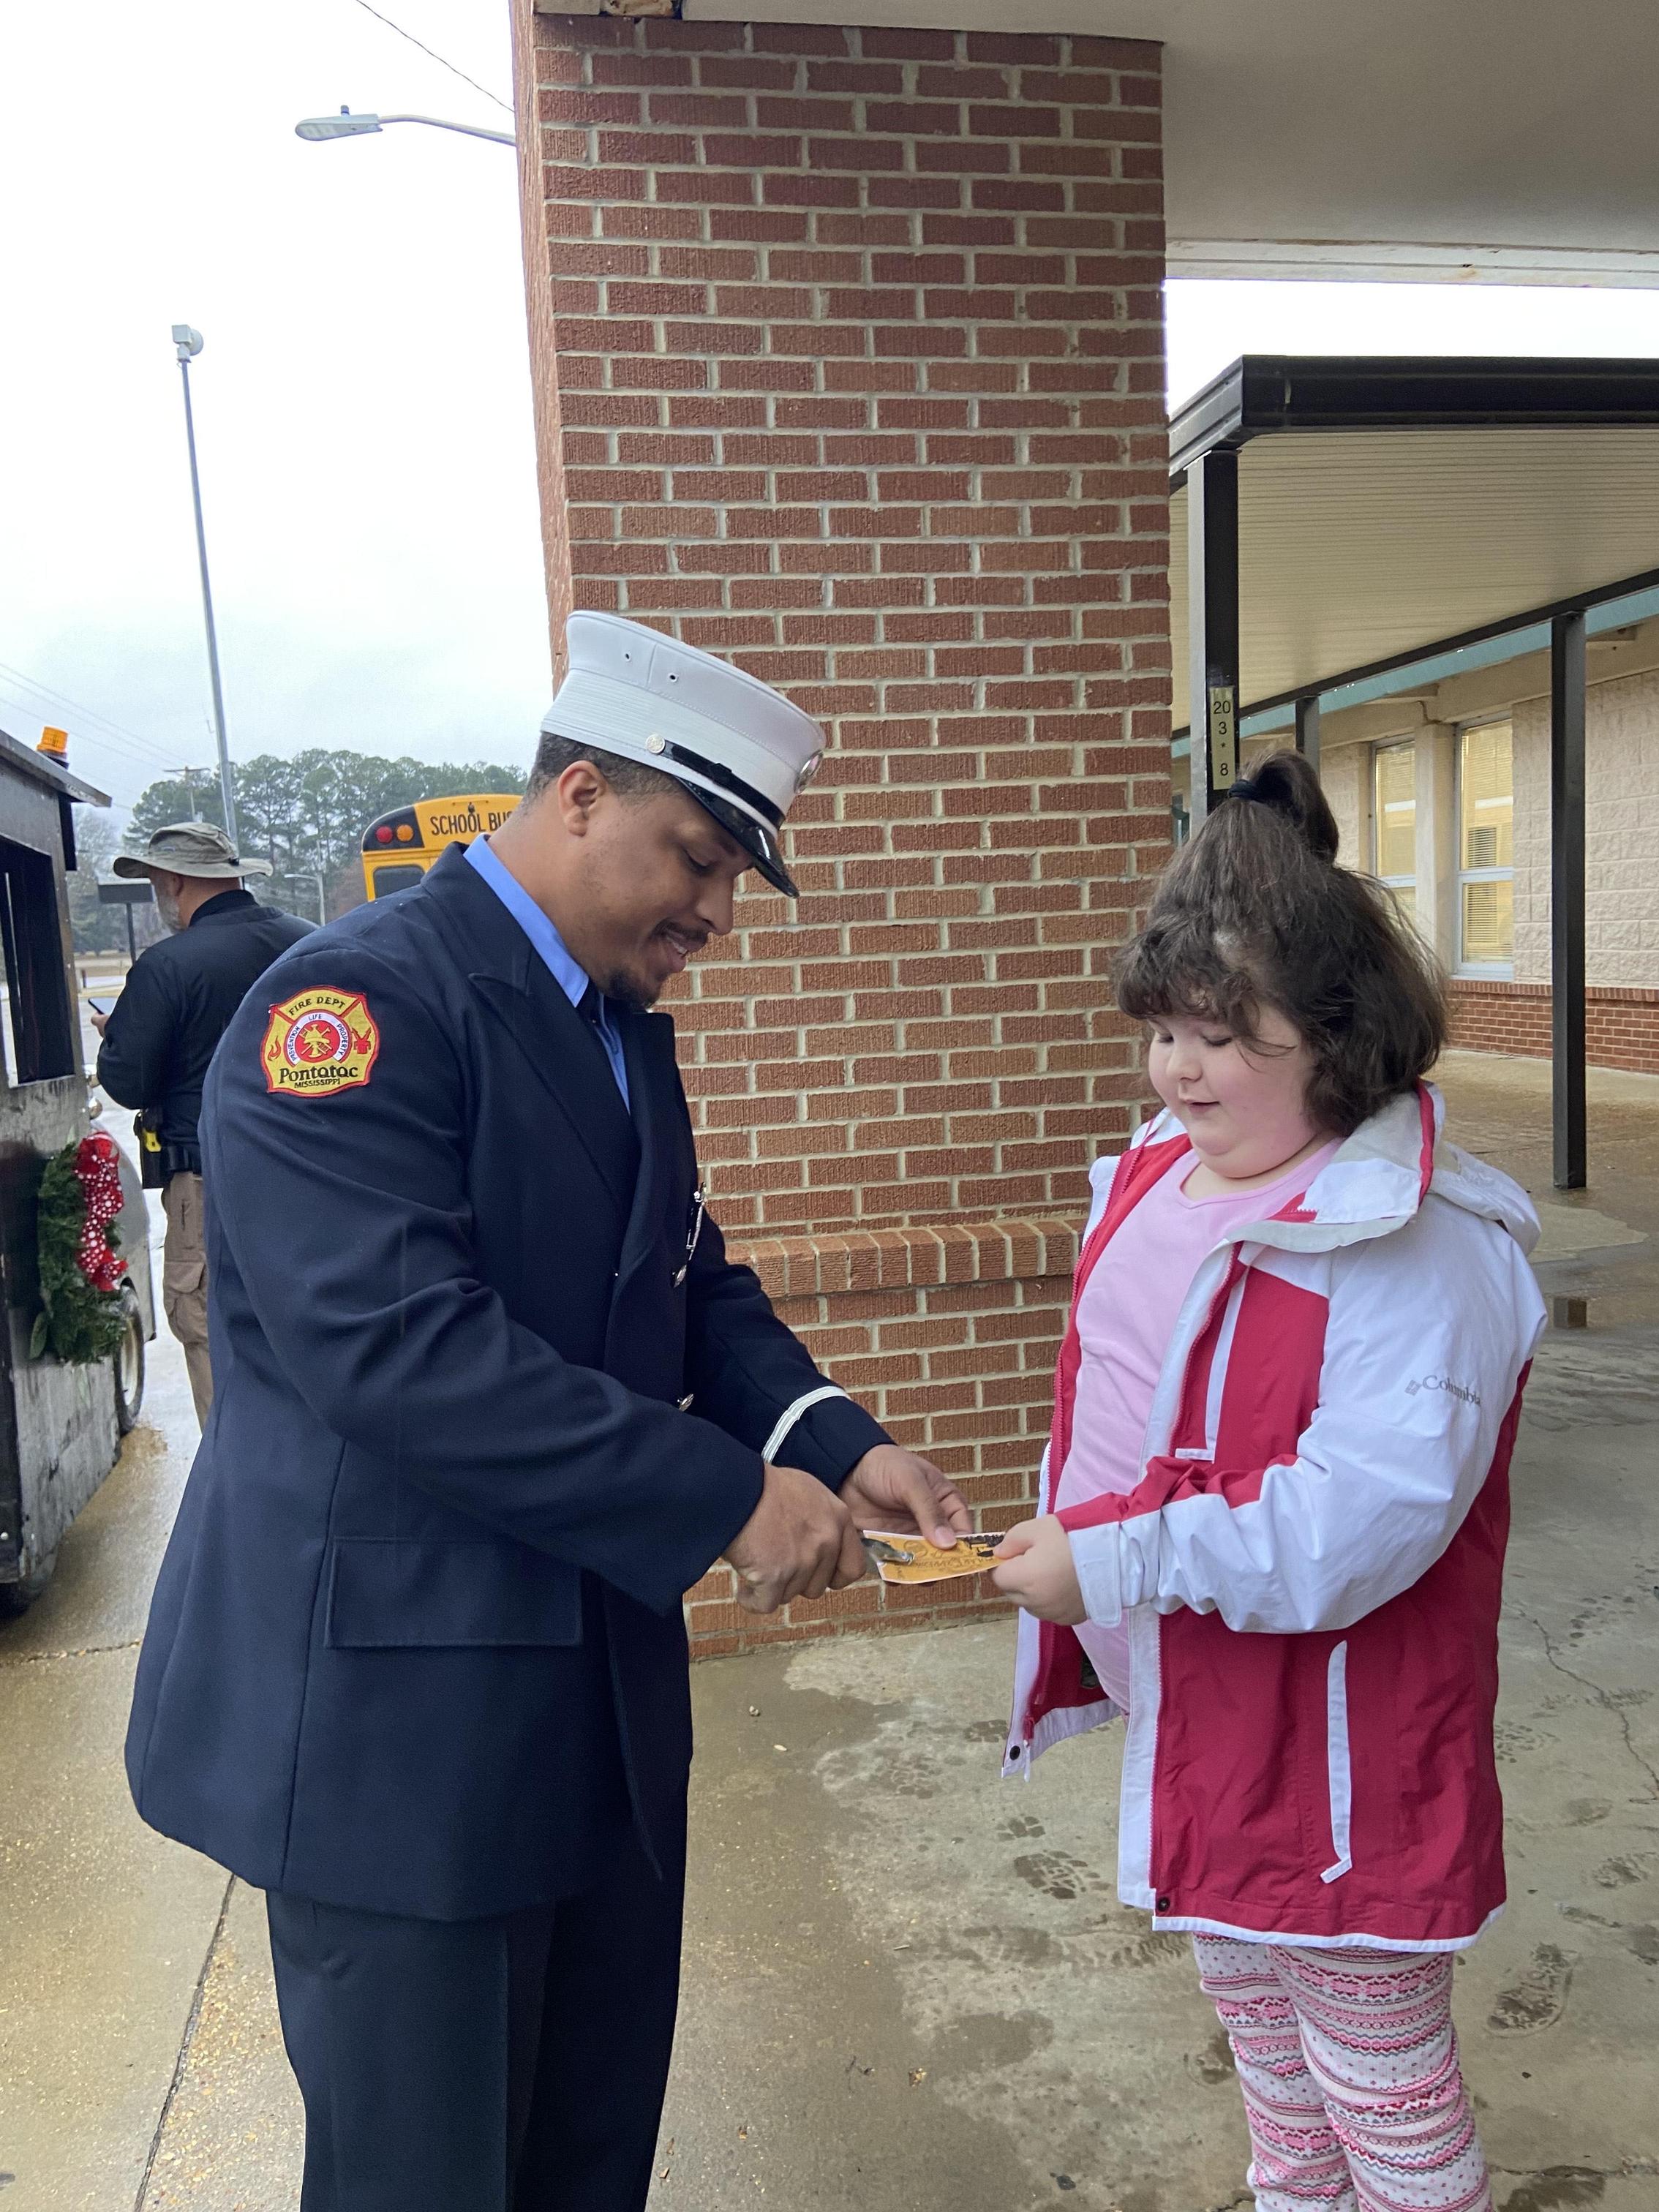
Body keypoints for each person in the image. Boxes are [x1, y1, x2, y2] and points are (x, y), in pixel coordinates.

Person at [124, 612, 969, 2212]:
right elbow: (402, 1351)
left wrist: (832, 1440)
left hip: (591, 1712)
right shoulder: (353, 1011)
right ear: (580, 793)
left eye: (736, 877)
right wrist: (724, 1498)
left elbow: (687, 1280)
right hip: (403, 1747)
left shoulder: (617, 1029)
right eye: (698, 859)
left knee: (585, 2161)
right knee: (428, 2179)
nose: (717, 912)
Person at [992, 752, 1545, 2211]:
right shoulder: (1155, 1172)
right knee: (1274, 2075)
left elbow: (1364, 1517)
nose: (1179, 1070)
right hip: (1201, 1717)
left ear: (1336, 1037)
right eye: (1164, 1030)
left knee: (1385, 2098)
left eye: (1224, 1035)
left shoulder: (1418, 1244)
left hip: (1342, 1749)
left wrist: (1111, 1561)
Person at [93, 822, 312, 1424]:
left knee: (215, 1339)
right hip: (316, 1178)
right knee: (312, 1335)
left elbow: (129, 1082)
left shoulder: (167, 966)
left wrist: (116, 1037)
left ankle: (240, 1477)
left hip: (210, 1184)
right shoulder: (309, 943)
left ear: (174, 882)